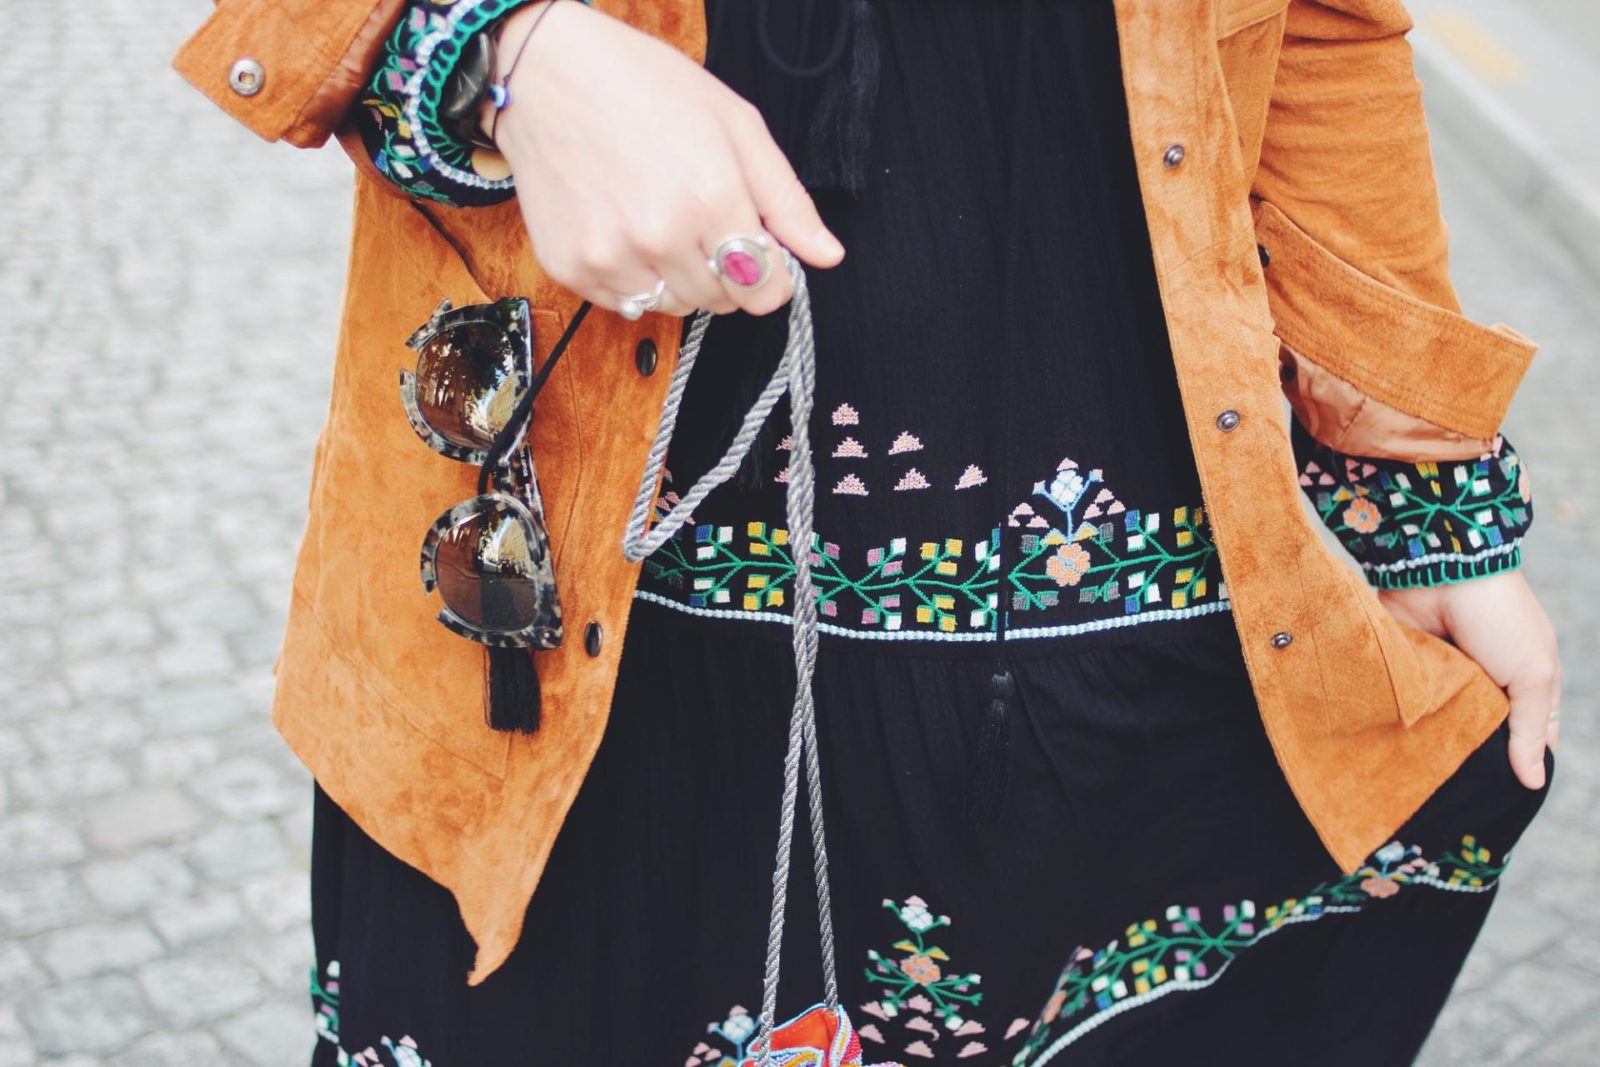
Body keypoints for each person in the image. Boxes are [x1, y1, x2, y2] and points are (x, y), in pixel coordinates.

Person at [171, 0, 1562, 1063]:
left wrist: (1427, 496)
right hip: (586, 621)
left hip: (1151, 598)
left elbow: (1320, 26)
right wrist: (501, 47)